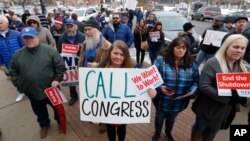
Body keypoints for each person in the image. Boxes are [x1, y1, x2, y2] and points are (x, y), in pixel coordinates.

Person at [9, 27, 66, 138]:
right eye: (25, 38)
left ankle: (60, 123)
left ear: (37, 37)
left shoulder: (50, 51)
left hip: (51, 90)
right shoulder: (17, 55)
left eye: (31, 37)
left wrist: (57, 79)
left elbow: (60, 66)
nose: (28, 40)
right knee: (39, 111)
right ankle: (44, 125)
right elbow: (13, 72)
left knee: (57, 109)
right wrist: (20, 84)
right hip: (32, 91)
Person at [191, 34, 249, 141]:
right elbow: (204, 86)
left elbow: (243, 88)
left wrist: (242, 97)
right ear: (226, 46)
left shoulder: (242, 67)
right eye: (236, 47)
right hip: (208, 108)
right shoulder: (212, 63)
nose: (239, 50)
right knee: (199, 129)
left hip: (225, 111)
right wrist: (228, 98)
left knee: (212, 133)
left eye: (242, 48)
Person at [147, 37, 199, 141]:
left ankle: (168, 133)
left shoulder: (192, 64)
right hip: (162, 100)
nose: (181, 50)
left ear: (186, 50)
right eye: (178, 47)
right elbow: (151, 79)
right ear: (172, 48)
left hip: (179, 102)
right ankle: (157, 133)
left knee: (171, 120)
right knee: (159, 119)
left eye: (183, 48)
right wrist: (160, 87)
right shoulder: (161, 61)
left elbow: (196, 81)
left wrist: (192, 91)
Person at [98, 40, 134, 141]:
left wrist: (150, 91)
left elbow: (139, 89)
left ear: (126, 56)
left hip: (123, 108)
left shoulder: (131, 70)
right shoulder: (102, 69)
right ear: (110, 53)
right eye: (115, 53)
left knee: (122, 128)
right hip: (108, 107)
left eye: (122, 54)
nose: (118, 57)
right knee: (110, 129)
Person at [58, 18, 85, 105]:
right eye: (68, 27)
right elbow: (59, 51)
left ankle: (85, 96)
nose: (69, 28)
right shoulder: (62, 38)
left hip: (81, 63)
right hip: (69, 65)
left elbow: (87, 49)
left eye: (71, 26)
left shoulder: (82, 36)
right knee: (71, 82)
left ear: (75, 27)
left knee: (84, 80)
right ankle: (74, 96)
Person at [0, 15, 25, 102]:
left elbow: (24, 47)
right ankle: (21, 92)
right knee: (15, 79)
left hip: (21, 61)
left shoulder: (17, 34)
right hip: (8, 63)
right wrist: (1, 64)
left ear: (7, 23)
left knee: (26, 76)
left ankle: (30, 90)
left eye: (1, 23)